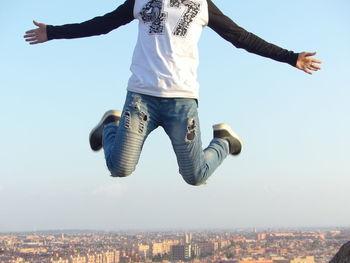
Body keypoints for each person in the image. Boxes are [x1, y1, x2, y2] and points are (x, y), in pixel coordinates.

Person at [24, 0, 321, 186]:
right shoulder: (140, 1)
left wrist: (290, 56)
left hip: (182, 104)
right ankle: (109, 127)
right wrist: (53, 31)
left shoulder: (202, 5)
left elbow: (240, 37)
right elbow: (102, 24)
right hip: (141, 100)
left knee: (196, 176)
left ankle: (224, 142)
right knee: (120, 168)